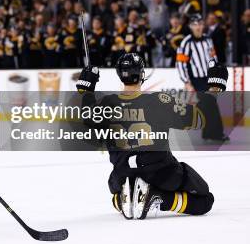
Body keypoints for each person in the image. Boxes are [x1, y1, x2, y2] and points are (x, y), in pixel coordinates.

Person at [76, 53, 228, 220]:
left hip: (122, 176)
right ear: (142, 74)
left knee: (115, 193)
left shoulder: (105, 105)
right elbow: (200, 118)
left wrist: (86, 91)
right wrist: (215, 87)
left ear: (120, 75)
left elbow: (86, 127)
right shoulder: (159, 102)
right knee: (205, 200)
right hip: (161, 174)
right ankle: (157, 197)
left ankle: (123, 198)